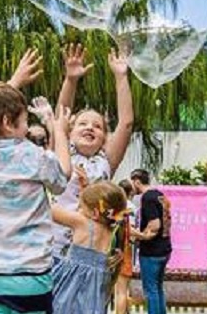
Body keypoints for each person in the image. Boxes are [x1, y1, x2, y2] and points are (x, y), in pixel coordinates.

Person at [0, 81, 71, 313]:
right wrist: (59, 131)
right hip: (30, 276)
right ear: (8, 123)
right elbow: (62, 178)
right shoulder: (32, 155)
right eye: (24, 121)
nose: (27, 129)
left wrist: (8, 85)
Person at [53, 45, 134, 256]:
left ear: (104, 138)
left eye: (97, 126)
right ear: (69, 131)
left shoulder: (106, 160)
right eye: (82, 124)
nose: (90, 127)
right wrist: (71, 80)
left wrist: (121, 76)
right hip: (54, 248)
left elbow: (126, 123)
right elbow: (61, 113)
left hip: (93, 248)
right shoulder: (62, 151)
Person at [52, 181, 128, 313]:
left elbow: (50, 210)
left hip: (69, 293)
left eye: (80, 207)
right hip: (93, 301)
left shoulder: (83, 223)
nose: (78, 210)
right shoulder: (113, 234)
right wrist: (86, 190)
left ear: (95, 213)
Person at [129, 169, 172, 314]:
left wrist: (140, 235)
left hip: (151, 251)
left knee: (150, 290)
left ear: (137, 181)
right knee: (158, 288)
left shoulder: (147, 198)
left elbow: (155, 224)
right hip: (165, 247)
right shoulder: (160, 195)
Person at [113, 180, 137, 314]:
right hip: (125, 248)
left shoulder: (113, 206)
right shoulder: (129, 208)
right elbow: (130, 230)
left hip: (112, 250)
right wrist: (143, 236)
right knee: (122, 290)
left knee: (117, 289)